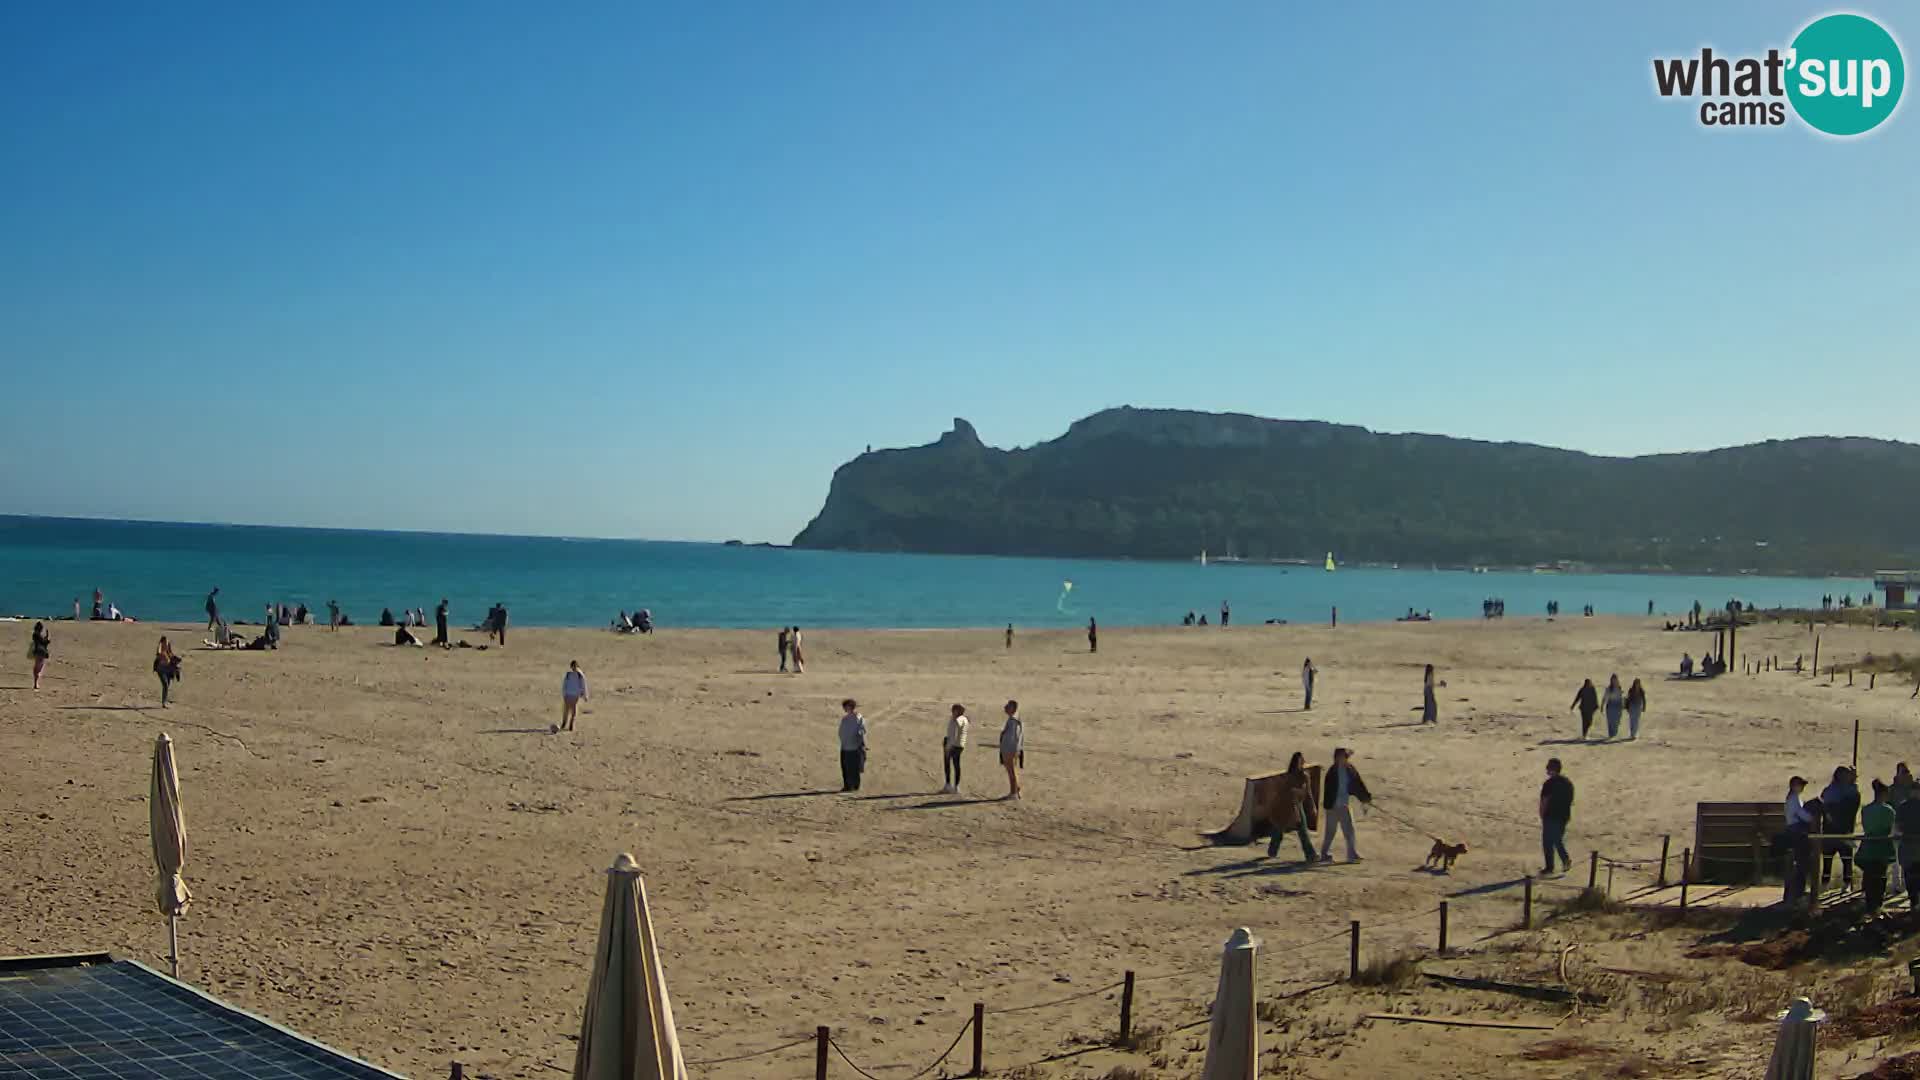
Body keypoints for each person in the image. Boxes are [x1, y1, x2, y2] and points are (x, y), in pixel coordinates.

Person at [1317, 747, 1371, 863]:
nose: (1346, 759)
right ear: (1337, 758)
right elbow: (1328, 791)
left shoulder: (1350, 770)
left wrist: (1365, 798)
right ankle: (1325, 854)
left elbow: (1358, 785)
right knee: (1330, 832)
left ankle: (1351, 854)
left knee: (1349, 830)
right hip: (1333, 806)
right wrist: (1329, 806)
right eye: (1343, 756)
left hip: (1344, 804)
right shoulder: (1332, 772)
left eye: (1346, 757)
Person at [1267, 752, 1318, 862]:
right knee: (1279, 829)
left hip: (1297, 806)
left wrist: (1313, 806)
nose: (1301, 764)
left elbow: (1308, 792)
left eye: (1301, 761)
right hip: (1286, 805)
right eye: (1298, 762)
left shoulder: (1305, 776)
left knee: (1302, 830)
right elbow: (1282, 792)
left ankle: (1310, 854)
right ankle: (1272, 851)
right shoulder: (1288, 776)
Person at [1820, 767, 1861, 890]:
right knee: (1828, 859)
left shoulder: (1850, 792)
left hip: (1843, 830)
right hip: (1833, 830)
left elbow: (1852, 807)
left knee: (1846, 859)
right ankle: (1825, 884)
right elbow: (1825, 807)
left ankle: (1846, 883)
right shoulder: (1831, 791)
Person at [1858, 780, 1896, 911]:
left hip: (1868, 847)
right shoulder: (1889, 811)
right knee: (1880, 877)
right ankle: (1878, 905)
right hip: (1882, 847)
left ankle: (1869, 904)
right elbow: (1889, 828)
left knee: (1869, 876)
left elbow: (1866, 827)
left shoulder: (1866, 810)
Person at [1783, 776, 1816, 906]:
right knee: (1802, 861)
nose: (1802, 787)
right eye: (1800, 785)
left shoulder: (1792, 799)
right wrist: (1812, 818)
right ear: (1794, 786)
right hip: (1797, 832)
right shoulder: (1794, 799)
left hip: (1793, 831)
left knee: (1799, 863)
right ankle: (1798, 892)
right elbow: (1803, 815)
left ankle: (1796, 892)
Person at [1539, 758, 1574, 875]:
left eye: (1548, 767)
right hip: (1563, 816)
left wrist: (1542, 814)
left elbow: (1544, 800)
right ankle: (1563, 861)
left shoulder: (1548, 784)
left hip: (1551, 816)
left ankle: (1552, 866)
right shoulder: (1567, 783)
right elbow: (1570, 799)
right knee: (1557, 839)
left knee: (1549, 842)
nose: (1547, 769)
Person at [838, 699, 867, 792]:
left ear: (851, 707)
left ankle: (855, 786)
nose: (844, 708)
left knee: (854, 768)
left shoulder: (858, 717)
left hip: (855, 747)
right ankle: (847, 786)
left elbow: (862, 730)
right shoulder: (845, 718)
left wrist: (860, 743)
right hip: (844, 746)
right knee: (845, 768)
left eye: (846, 706)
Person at [998, 700, 1024, 800]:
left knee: (1011, 771)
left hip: (1010, 750)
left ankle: (1013, 793)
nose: (1005, 707)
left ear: (1013, 708)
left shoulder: (1013, 721)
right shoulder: (1014, 720)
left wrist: (1009, 751)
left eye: (1008, 706)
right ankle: (1016, 789)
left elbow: (1013, 738)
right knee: (1012, 771)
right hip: (1011, 749)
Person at [942, 704, 969, 795]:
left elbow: (954, 734)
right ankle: (954, 786)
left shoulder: (958, 719)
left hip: (953, 745)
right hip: (959, 745)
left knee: (949, 764)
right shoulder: (963, 719)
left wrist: (949, 746)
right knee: (956, 764)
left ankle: (949, 785)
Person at [559, 660, 588, 732]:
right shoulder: (568, 674)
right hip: (568, 694)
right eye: (573, 666)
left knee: (574, 711)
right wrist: (564, 694)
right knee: (566, 710)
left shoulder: (580, 675)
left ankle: (571, 725)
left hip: (575, 695)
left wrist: (585, 695)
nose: (574, 668)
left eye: (575, 666)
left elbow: (583, 685)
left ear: (577, 666)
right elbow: (564, 685)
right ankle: (564, 724)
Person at [154, 637, 181, 707]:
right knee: (165, 685)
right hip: (161, 670)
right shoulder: (160, 652)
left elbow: (175, 660)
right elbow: (158, 652)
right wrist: (160, 644)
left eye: (167, 643)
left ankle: (164, 700)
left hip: (168, 670)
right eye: (165, 642)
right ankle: (164, 703)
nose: (166, 644)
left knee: (167, 686)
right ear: (162, 643)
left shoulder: (169, 652)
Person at [1601, 675, 1625, 739]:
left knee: (1617, 721)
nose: (1614, 681)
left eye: (1615, 680)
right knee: (1610, 721)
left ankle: (1614, 734)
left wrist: (1623, 705)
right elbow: (1604, 698)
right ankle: (1611, 735)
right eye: (1613, 680)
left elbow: (1622, 698)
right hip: (1610, 706)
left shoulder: (1620, 688)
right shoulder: (1609, 689)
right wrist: (1602, 706)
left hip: (1618, 706)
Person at [28, 621, 51, 690]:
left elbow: (40, 641)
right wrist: (47, 637)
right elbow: (44, 642)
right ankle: (36, 683)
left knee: (36, 667)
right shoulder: (38, 635)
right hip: (41, 652)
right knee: (39, 668)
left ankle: (35, 682)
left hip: (37, 652)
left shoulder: (35, 635)